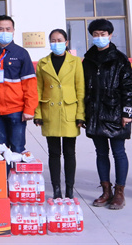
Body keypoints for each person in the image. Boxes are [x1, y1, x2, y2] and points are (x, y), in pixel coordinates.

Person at [82, 19, 132, 210]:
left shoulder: (120, 59)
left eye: (103, 34)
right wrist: (83, 113)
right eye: (96, 34)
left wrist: (127, 112)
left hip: (115, 113)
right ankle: (106, 190)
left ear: (110, 35)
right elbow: (82, 88)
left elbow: (129, 88)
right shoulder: (87, 60)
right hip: (95, 113)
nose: (99, 37)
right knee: (101, 153)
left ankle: (119, 192)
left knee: (119, 152)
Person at [33, 28, 84, 199]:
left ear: (66, 42)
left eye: (59, 40)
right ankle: (56, 189)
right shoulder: (43, 63)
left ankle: (69, 189)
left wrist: (81, 114)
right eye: (53, 40)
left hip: (70, 111)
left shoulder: (75, 62)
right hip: (50, 111)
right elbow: (38, 89)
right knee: (54, 153)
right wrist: (38, 113)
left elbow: (80, 89)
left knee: (70, 152)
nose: (56, 43)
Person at [0, 15, 38, 153]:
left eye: (8, 29)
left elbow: (30, 84)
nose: (4, 32)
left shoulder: (21, 53)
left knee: (17, 149)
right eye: (1, 29)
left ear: (13, 31)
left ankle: (16, 168)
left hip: (16, 110)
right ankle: (4, 169)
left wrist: (29, 109)